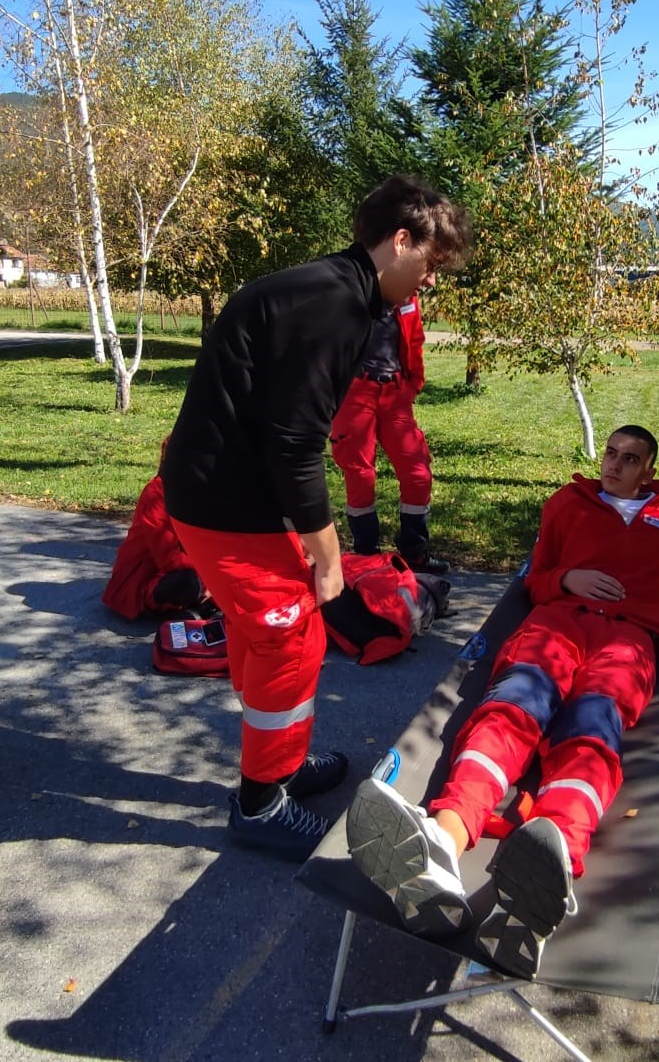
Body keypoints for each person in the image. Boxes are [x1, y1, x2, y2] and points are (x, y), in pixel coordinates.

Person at [162, 174, 471, 860]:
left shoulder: (333, 291)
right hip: (224, 502)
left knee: (269, 632)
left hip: (233, 495)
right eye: (431, 261)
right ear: (400, 240)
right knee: (291, 637)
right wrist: (329, 554)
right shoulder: (333, 304)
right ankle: (260, 804)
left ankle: (282, 762)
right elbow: (296, 442)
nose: (430, 278)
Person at [346, 425, 659, 978]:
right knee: (511, 710)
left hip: (626, 640)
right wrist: (568, 579)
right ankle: (443, 840)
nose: (616, 465)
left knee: (592, 728)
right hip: (557, 622)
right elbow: (538, 577)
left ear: (649, 470)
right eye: (611, 453)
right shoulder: (567, 504)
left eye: (631, 459)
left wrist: (652, 616)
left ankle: (546, 865)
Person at [329, 292, 447, 572]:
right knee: (360, 475)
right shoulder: (351, 290)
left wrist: (413, 383)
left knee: (418, 473)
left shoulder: (406, 294)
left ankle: (414, 554)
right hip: (356, 391)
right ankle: (367, 556)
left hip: (395, 392)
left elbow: (414, 339)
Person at [103, 437, 211, 622]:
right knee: (186, 583)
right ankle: (180, 601)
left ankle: (199, 597)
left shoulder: (197, 492)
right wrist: (208, 581)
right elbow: (168, 557)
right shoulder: (156, 493)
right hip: (144, 579)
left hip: (186, 570)